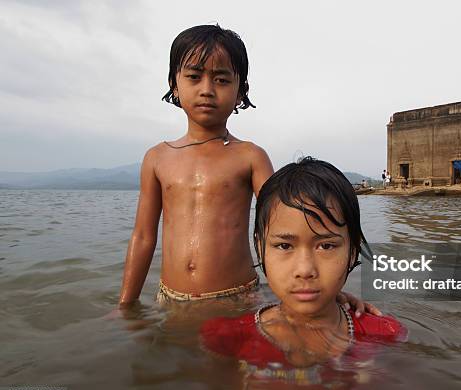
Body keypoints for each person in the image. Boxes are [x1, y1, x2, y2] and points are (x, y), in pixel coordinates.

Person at [118, 25, 372, 314]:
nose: (206, 90)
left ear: (241, 91)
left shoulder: (249, 156)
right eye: (193, 76)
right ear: (174, 84)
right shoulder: (157, 157)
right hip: (170, 299)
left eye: (221, 79)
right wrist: (126, 305)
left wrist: (326, 290)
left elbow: (287, 226)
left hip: (237, 298)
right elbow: (143, 236)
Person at [201, 157, 406, 375]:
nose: (305, 270)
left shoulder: (385, 334)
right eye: (284, 246)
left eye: (326, 246)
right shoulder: (227, 337)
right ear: (260, 248)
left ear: (353, 251)